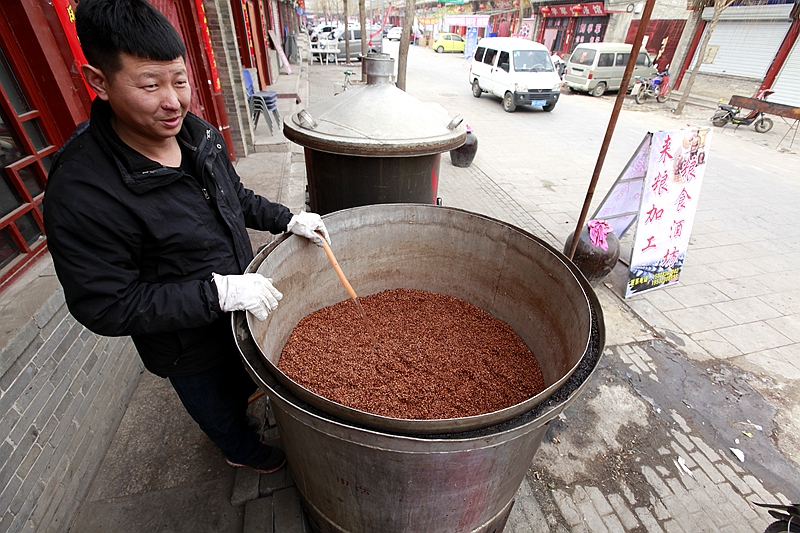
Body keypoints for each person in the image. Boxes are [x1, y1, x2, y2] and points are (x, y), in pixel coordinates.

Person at [43, 0, 330, 474]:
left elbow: (233, 196)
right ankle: (242, 453)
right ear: (99, 82)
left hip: (239, 309)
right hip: (184, 345)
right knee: (215, 406)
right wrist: (216, 292)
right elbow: (105, 304)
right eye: (150, 85)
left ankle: (246, 409)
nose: (173, 101)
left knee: (245, 381)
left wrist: (287, 218)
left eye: (179, 81)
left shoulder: (195, 133)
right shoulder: (82, 190)